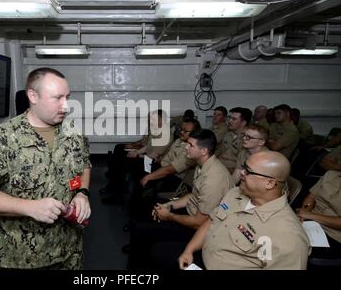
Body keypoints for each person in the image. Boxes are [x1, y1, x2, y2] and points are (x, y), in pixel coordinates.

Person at [0, 67, 92, 269]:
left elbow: (84, 164)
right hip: (21, 259)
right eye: (57, 98)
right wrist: (29, 207)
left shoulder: (72, 132)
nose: (65, 106)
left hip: (69, 252)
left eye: (67, 97)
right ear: (33, 95)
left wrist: (82, 193)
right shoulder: (1, 139)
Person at [178, 151, 311, 270]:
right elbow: (211, 222)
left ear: (270, 183)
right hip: (201, 257)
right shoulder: (236, 193)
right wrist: (189, 250)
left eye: (248, 171)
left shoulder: (289, 237)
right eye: (243, 167)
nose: (242, 172)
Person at [127, 129, 233, 268]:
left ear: (204, 151)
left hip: (199, 229)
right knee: (148, 207)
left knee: (141, 230)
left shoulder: (214, 178)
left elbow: (198, 223)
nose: (186, 147)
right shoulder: (203, 165)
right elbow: (194, 195)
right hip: (192, 212)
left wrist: (169, 216)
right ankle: (139, 246)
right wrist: (170, 205)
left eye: (191, 145)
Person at [296, 170, 341, 259]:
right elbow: (311, 197)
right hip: (310, 222)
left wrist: (309, 215)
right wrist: (304, 212)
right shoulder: (331, 174)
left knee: (295, 247)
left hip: (332, 235)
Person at [217, 107, 252, 173]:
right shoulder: (228, 134)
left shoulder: (249, 138)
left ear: (243, 123)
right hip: (221, 166)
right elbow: (221, 152)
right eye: (230, 118)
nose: (229, 121)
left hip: (233, 170)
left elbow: (244, 166)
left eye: (234, 119)